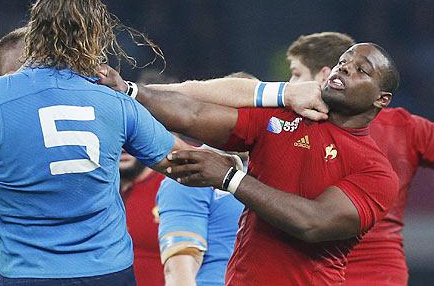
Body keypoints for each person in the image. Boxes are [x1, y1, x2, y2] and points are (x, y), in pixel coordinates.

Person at [0, 0, 234, 285]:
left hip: (28, 275)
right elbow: (183, 163)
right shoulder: (112, 101)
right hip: (108, 273)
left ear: (34, 34)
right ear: (93, 38)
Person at [98, 42, 401, 285]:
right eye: (342, 62)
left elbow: (312, 222)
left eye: (361, 69)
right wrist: (128, 92)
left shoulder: (375, 172)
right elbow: (194, 114)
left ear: (381, 99)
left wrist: (230, 179)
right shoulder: (284, 118)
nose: (345, 68)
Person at [286, 32, 434, 285]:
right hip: (379, 274)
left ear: (325, 74)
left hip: (316, 268)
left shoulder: (294, 124)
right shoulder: (405, 126)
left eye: (297, 74)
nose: (290, 82)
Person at [157, 71, 256, 286]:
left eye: (255, 111)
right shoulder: (191, 170)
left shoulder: (270, 172)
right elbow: (179, 270)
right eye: (236, 111)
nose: (246, 120)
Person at [117, 70, 179, 286]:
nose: (125, 143)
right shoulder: (95, 192)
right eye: (120, 130)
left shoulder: (178, 188)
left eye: (134, 130)